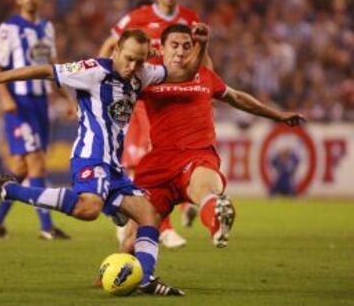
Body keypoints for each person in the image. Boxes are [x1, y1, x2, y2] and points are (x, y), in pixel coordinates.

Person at [0, 26, 209, 296]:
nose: (133, 66)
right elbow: (46, 70)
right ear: (116, 50)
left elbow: (184, 72)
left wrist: (201, 44)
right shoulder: (93, 71)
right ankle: (6, 189)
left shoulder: (143, 73)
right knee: (88, 209)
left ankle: (146, 278)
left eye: (140, 60)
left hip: (114, 168)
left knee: (149, 214)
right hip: (90, 158)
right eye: (128, 58)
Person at [119, 24, 306, 253]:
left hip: (197, 154)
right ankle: (124, 276)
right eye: (175, 45)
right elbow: (117, 82)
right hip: (160, 161)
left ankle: (218, 220)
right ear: (162, 48)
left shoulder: (204, 75)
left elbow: (237, 98)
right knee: (132, 238)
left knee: (206, 189)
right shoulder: (148, 74)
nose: (180, 51)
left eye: (187, 46)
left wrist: (278, 115)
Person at [99, 0, 206, 249]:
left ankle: (168, 213)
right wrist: (105, 82)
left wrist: (204, 91)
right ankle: (158, 225)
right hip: (146, 98)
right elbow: (109, 46)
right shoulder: (138, 17)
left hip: (176, 98)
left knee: (174, 154)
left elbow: (202, 58)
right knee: (147, 160)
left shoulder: (190, 18)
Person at [0, 0, 69, 240]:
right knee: (37, 161)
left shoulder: (47, 28)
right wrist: (4, 98)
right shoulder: (8, 28)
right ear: (18, 0)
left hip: (41, 104)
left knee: (21, 168)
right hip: (19, 104)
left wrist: (68, 98)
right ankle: (46, 226)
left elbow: (52, 67)